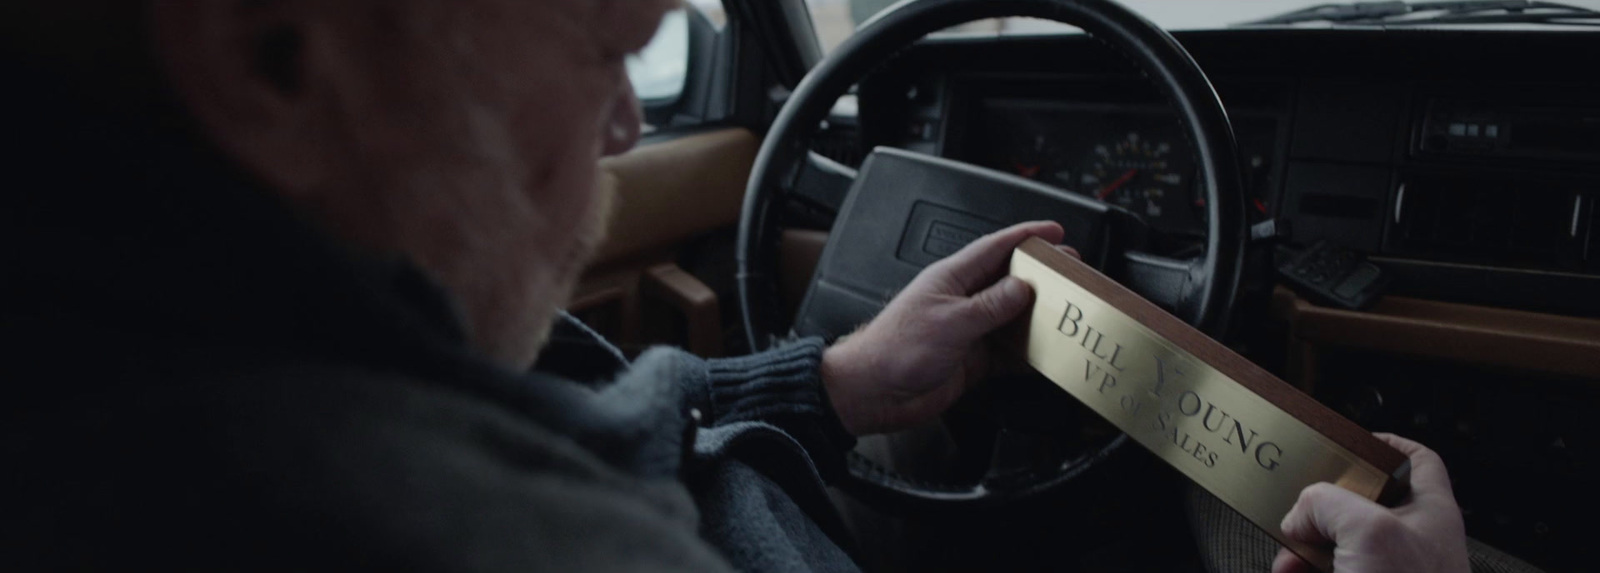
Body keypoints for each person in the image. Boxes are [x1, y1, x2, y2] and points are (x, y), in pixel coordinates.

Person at [0, 1, 1472, 571]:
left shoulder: (201, 336)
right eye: (601, 47)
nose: (630, 125)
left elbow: (549, 399)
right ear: (270, 52)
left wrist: (822, 383)